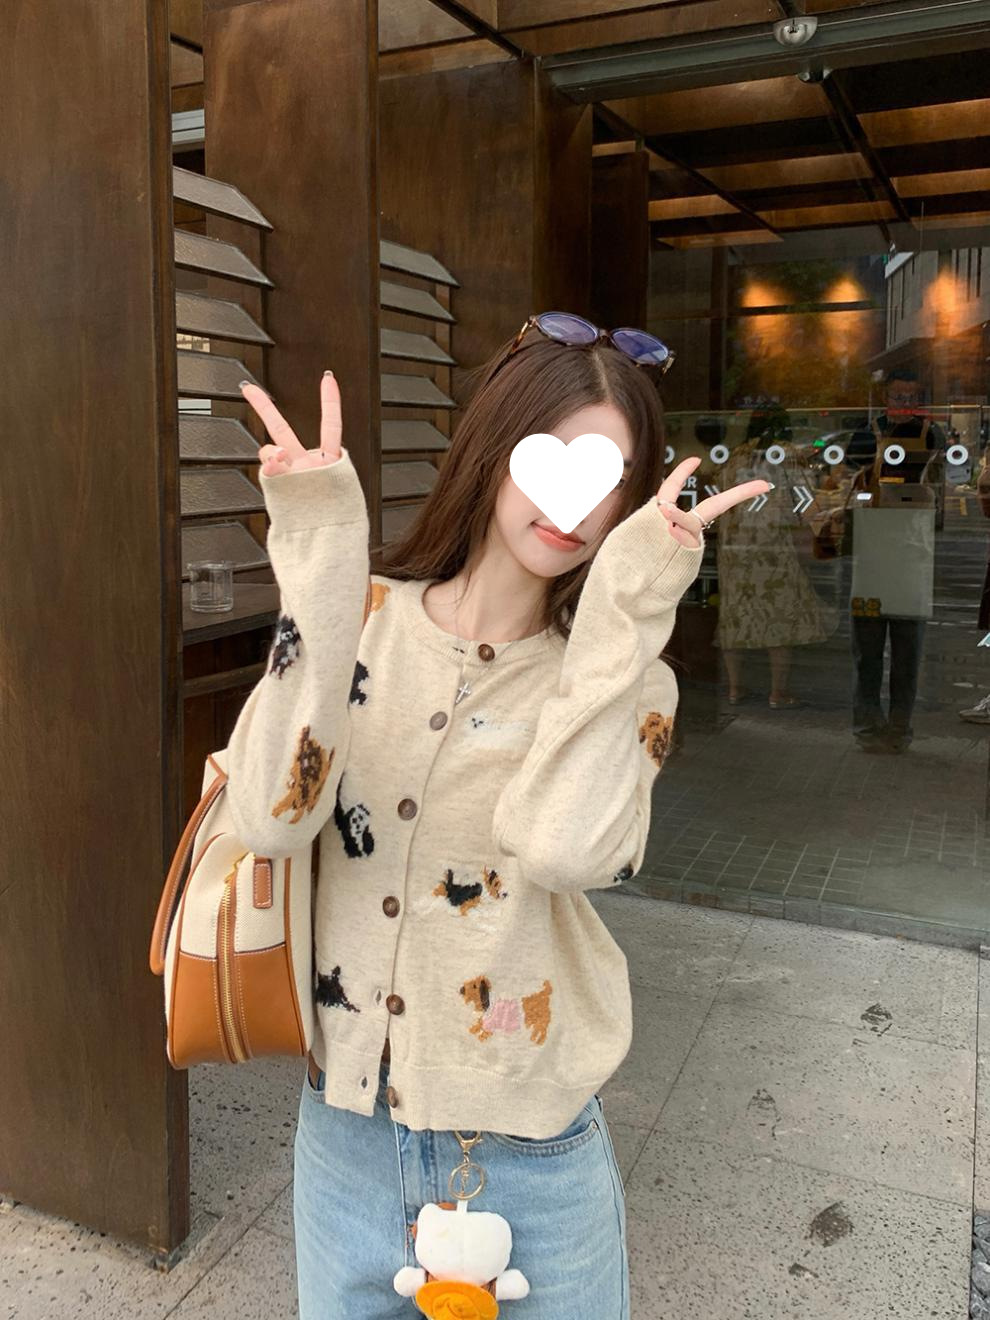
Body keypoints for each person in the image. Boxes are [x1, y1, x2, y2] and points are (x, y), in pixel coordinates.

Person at [227, 314, 769, 1320]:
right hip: (346, 1141)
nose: (576, 502)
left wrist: (627, 609)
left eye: (610, 478)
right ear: (494, 444)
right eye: (555, 457)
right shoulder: (364, 620)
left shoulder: (625, 683)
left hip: (531, 1156)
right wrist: (322, 561)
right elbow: (268, 817)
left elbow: (563, 849)